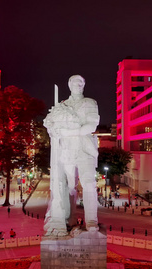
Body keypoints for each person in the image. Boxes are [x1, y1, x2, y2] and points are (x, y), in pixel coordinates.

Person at [43, 75, 100, 235]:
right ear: (69, 85)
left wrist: (69, 132)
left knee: (89, 183)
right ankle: (69, 219)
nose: (79, 85)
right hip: (66, 150)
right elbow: (54, 127)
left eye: (82, 82)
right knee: (69, 186)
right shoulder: (61, 106)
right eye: (76, 82)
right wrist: (50, 126)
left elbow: (91, 125)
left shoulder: (90, 103)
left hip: (84, 148)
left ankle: (91, 221)